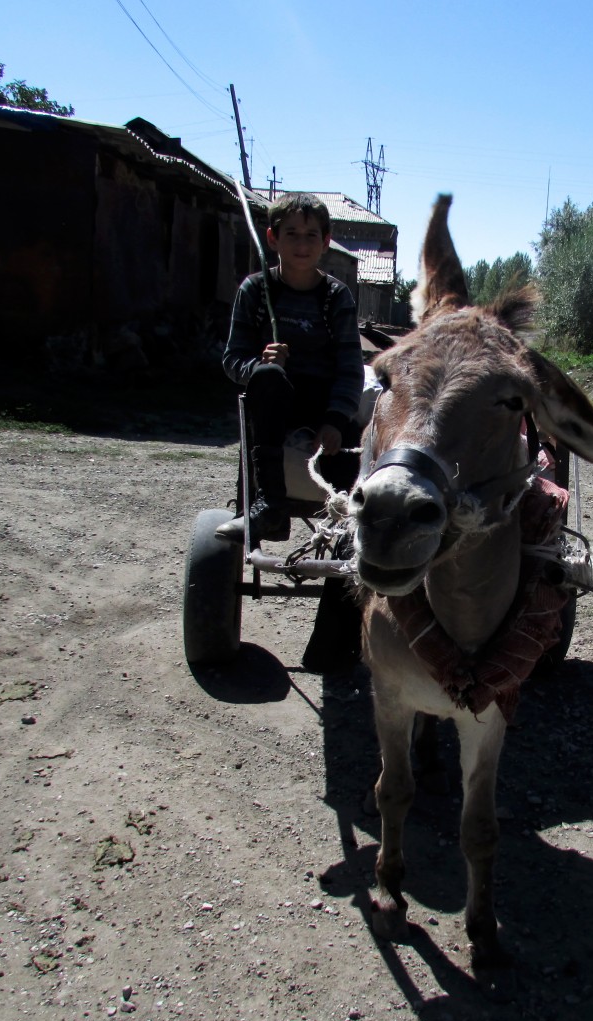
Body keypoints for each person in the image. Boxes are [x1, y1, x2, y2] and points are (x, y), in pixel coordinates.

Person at [218, 193, 365, 673]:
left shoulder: (336, 297)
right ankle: (268, 504)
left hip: (326, 416)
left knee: (355, 526)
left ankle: (332, 649)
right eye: (291, 234)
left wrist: (336, 421)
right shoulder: (254, 291)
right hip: (272, 409)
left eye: (311, 235)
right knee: (265, 379)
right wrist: (260, 363)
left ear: (325, 242)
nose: (301, 244)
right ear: (272, 238)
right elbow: (232, 360)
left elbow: (349, 368)